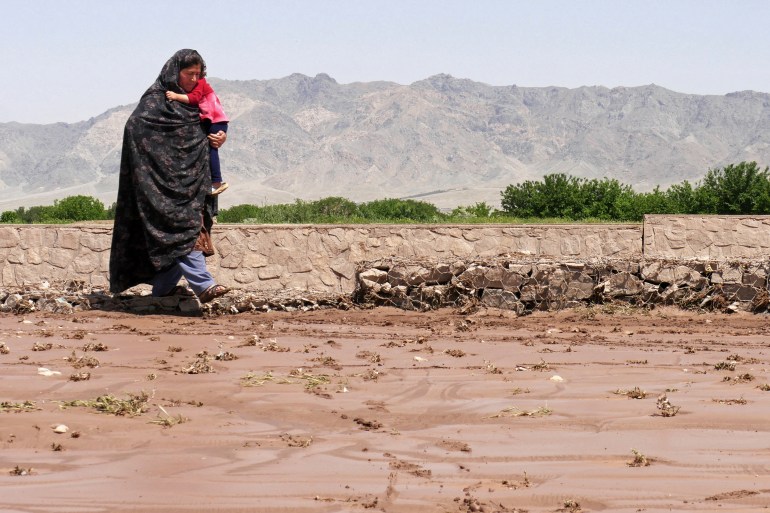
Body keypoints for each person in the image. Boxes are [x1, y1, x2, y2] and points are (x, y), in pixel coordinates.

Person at [109, 49, 229, 304]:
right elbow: (135, 128)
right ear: (174, 72)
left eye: (199, 74)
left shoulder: (199, 98)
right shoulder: (155, 101)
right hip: (159, 187)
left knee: (186, 234)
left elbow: (214, 121)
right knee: (184, 232)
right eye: (189, 74)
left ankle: (163, 289)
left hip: (193, 182)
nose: (194, 79)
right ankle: (204, 285)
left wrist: (220, 135)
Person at [166, 76, 230, 196]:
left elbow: (194, 98)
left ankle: (216, 182)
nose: (193, 78)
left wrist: (175, 96)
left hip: (215, 121)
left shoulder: (200, 83)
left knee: (211, 149)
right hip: (215, 121)